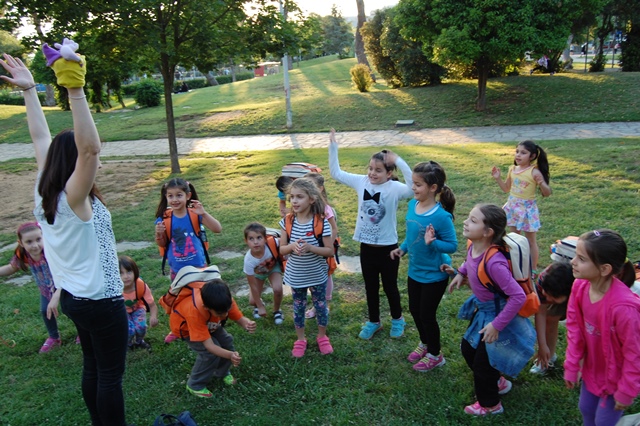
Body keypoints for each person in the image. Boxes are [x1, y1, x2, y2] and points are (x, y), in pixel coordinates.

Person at [1, 46, 130, 424]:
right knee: (110, 376)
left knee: (92, 366)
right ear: (74, 163)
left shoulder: (46, 189)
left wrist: (30, 91)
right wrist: (74, 88)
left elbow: (40, 137)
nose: (96, 162)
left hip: (74, 297)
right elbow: (90, 149)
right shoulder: (75, 199)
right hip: (101, 301)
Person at [448, 204, 536, 416]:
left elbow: (517, 296)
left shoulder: (495, 263)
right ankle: (497, 382)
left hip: (498, 314)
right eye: (468, 218)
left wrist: (496, 325)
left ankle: (490, 404)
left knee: (483, 364)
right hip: (484, 310)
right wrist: (461, 272)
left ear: (488, 232)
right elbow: (470, 261)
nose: (465, 222)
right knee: (468, 349)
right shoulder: (474, 245)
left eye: (473, 220)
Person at [328, 128, 413, 339]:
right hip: (366, 248)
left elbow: (413, 188)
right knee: (371, 287)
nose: (372, 173)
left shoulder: (395, 188)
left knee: (390, 287)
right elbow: (336, 173)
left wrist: (398, 160)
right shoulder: (362, 182)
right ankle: (374, 321)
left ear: (389, 173)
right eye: (371, 168)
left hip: (388, 249)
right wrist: (333, 146)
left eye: (378, 170)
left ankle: (398, 319)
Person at [564, 229, 640, 426]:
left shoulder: (624, 309)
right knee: (586, 409)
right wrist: (572, 365)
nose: (573, 262)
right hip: (592, 370)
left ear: (605, 269)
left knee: (604, 421)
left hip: (616, 379)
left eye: (581, 259)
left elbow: (634, 353)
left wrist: (627, 390)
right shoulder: (579, 286)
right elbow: (574, 328)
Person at [390, 161, 458, 372]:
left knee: (427, 315)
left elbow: (452, 246)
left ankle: (436, 355)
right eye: (413, 183)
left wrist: (433, 243)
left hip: (434, 275)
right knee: (415, 310)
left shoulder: (441, 217)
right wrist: (402, 249)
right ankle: (425, 343)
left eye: (418, 185)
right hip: (415, 271)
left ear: (433, 188)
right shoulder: (413, 205)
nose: (413, 188)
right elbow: (412, 236)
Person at [154, 177, 222, 343]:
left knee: (205, 297)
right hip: (177, 270)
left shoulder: (195, 214)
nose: (174, 199)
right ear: (166, 197)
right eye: (170, 196)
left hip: (199, 267)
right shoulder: (164, 218)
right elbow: (162, 243)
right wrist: (159, 234)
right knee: (177, 300)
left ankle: (211, 322)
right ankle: (177, 328)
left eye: (179, 195)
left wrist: (203, 213)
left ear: (188, 195)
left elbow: (217, 229)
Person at [169, 278, 256, 397]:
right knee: (209, 354)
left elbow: (238, 318)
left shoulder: (224, 301)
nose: (225, 315)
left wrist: (247, 323)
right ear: (206, 307)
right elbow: (210, 346)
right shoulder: (195, 312)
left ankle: (222, 372)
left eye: (227, 311)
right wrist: (230, 355)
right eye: (220, 313)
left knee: (226, 341)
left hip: (210, 324)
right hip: (188, 330)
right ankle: (195, 385)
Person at [279, 178, 334, 357]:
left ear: (311, 199)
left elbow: (330, 251)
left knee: (320, 306)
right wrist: (292, 246)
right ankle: (300, 339)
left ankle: (322, 336)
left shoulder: (321, 222)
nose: (294, 201)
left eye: (299, 197)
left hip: (317, 275)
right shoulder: (287, 222)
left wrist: (311, 248)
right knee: (298, 307)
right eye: (292, 197)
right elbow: (282, 249)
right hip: (296, 276)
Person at [491, 140, 552, 275]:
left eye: (523, 153)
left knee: (530, 241)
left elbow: (547, 193)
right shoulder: (512, 169)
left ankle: (533, 269)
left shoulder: (534, 172)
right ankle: (516, 265)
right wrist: (498, 178)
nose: (518, 155)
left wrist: (541, 183)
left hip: (527, 210)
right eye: (517, 151)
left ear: (532, 156)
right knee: (514, 238)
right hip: (513, 207)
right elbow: (506, 189)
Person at [0, 222, 62, 353]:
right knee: (45, 311)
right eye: (29, 242)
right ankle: (54, 337)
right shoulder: (22, 254)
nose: (35, 245)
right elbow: (11, 268)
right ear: (21, 243)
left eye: (38, 239)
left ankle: (83, 332)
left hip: (64, 284)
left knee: (71, 309)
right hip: (45, 289)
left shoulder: (50, 250)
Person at [530, 261, 574, 375]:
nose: (548, 299)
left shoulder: (581, 288)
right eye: (546, 294)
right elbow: (540, 313)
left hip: (579, 298)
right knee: (550, 318)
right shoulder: (543, 280)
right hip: (561, 291)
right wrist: (542, 346)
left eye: (553, 298)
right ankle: (548, 357)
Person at [304, 172, 339, 319]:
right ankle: (316, 303)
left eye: (311, 186)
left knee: (326, 275)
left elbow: (334, 229)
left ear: (320, 188)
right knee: (312, 276)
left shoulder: (325, 208)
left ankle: (324, 304)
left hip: (324, 249)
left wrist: (327, 248)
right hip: (309, 250)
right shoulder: (305, 206)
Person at [242, 222, 284, 325]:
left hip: (273, 268)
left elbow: (285, 241)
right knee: (252, 301)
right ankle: (259, 305)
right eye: (251, 239)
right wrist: (260, 306)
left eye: (259, 238)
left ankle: (277, 311)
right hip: (258, 274)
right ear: (246, 241)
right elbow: (252, 285)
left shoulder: (273, 243)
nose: (256, 242)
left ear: (265, 238)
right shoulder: (248, 260)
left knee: (278, 289)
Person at [119, 255, 158, 350]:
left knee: (141, 327)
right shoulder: (115, 289)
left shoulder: (140, 286)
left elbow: (152, 305)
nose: (126, 276)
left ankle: (139, 341)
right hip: (122, 311)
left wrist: (153, 316)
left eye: (129, 271)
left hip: (138, 308)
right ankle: (128, 344)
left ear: (135, 271)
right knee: (129, 330)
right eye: (121, 273)